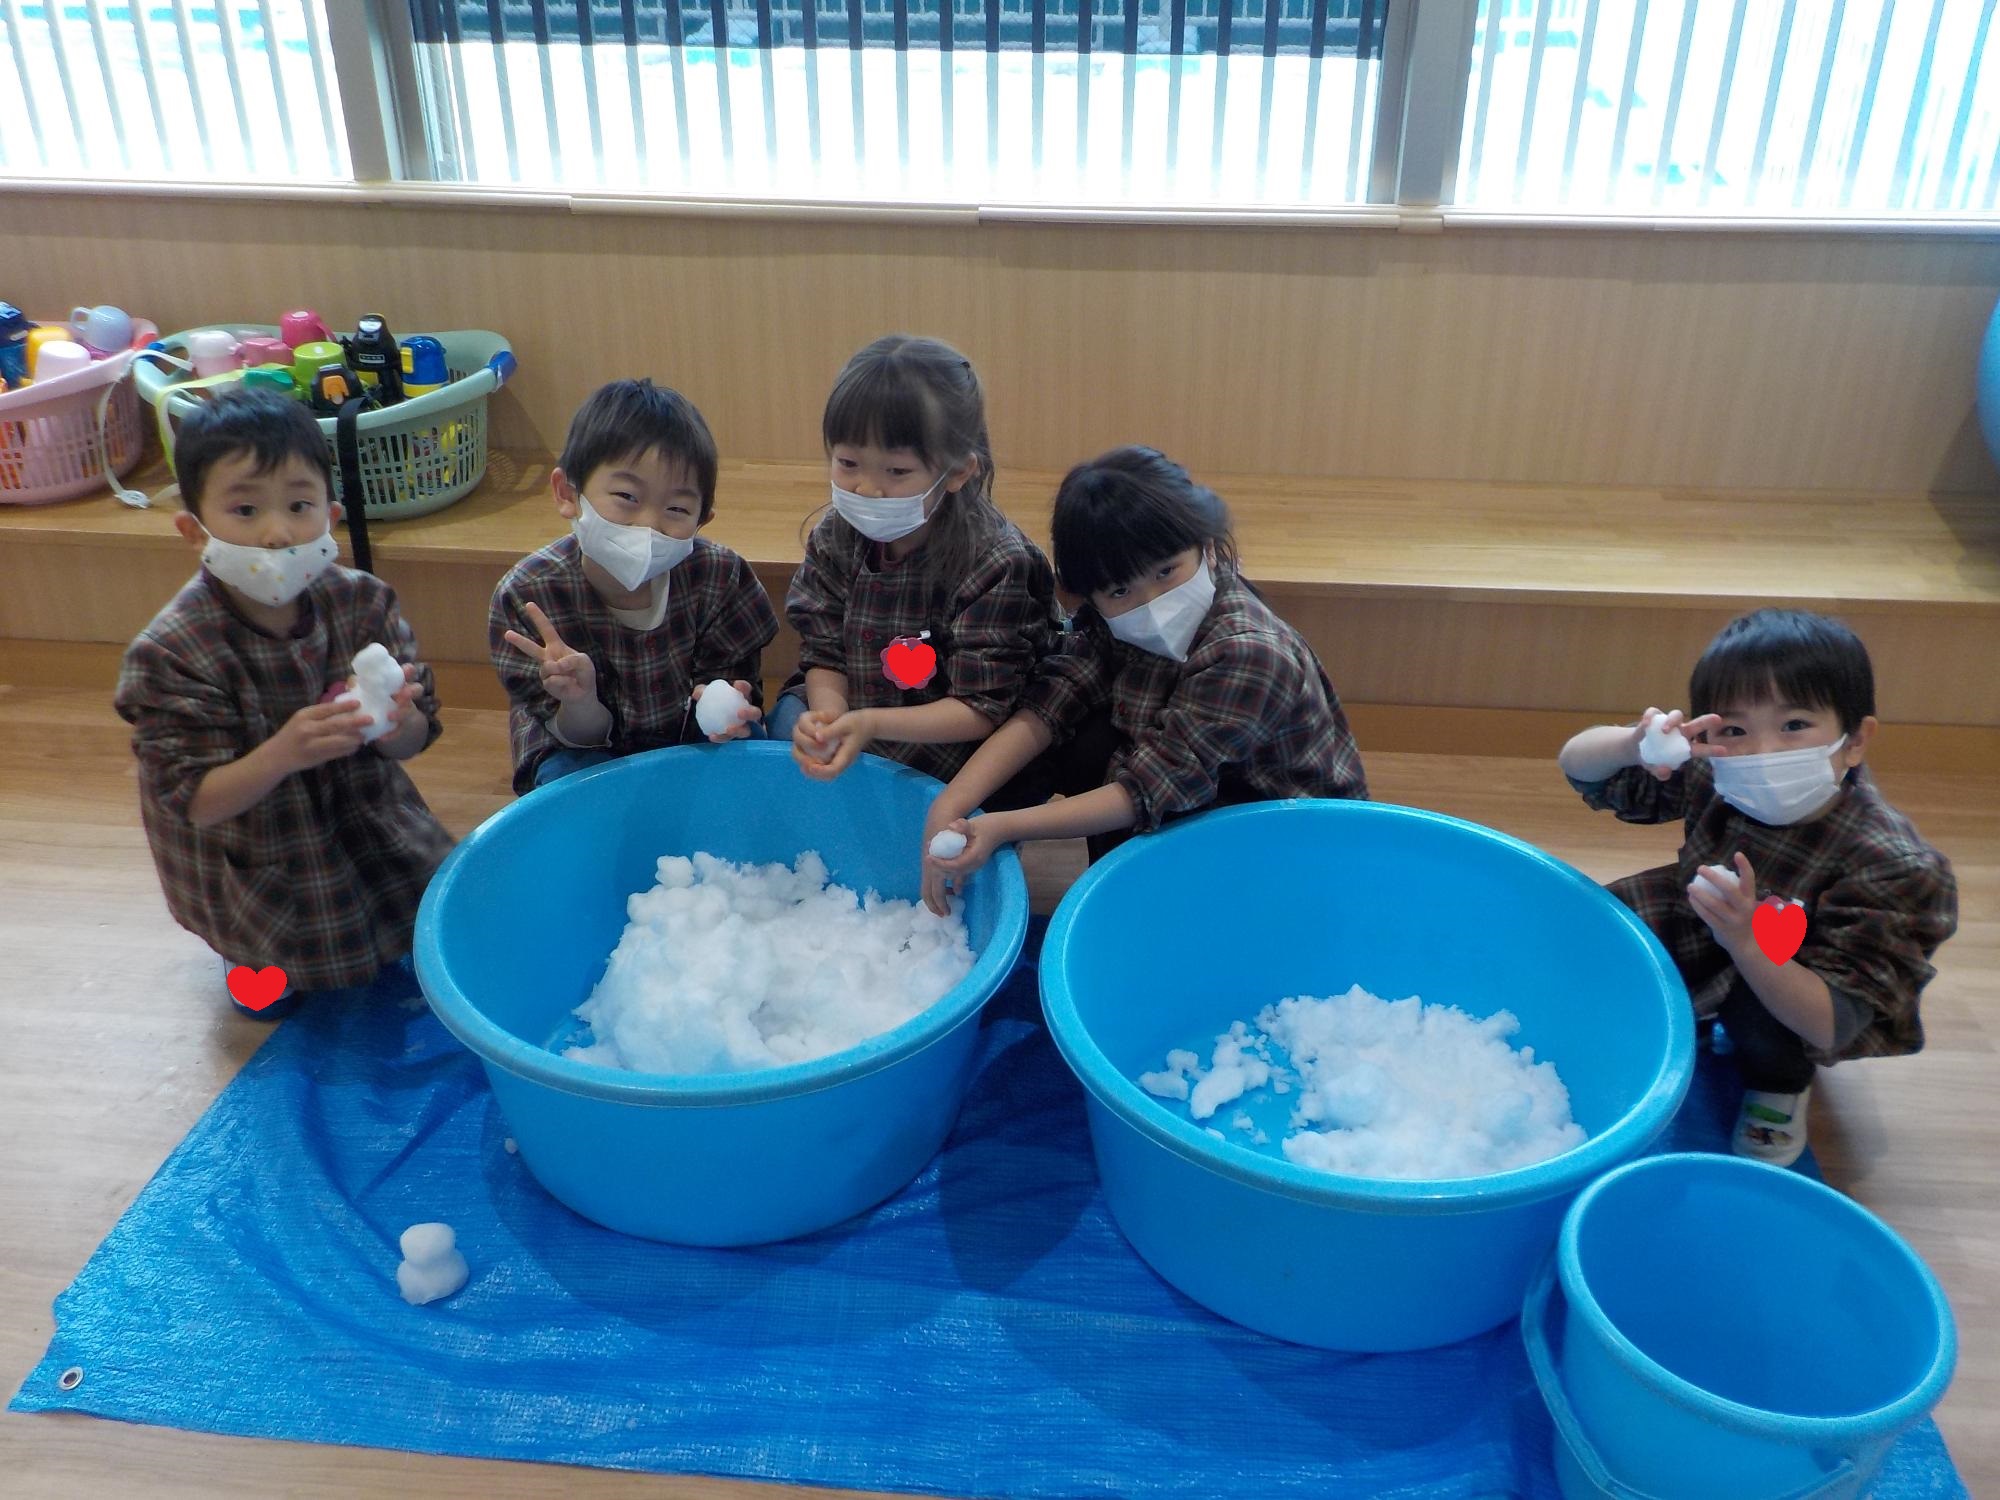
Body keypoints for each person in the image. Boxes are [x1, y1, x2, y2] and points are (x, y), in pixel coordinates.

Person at [1558, 608, 1958, 1166]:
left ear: (1856, 739)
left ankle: (1780, 1086)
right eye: (1736, 729)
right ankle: (1663, 1023)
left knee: (1759, 1018)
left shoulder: (1893, 866)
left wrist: (1746, 942)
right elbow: (1581, 769)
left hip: (1795, 979)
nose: (1762, 751)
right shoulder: (1718, 772)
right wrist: (1632, 743)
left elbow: (1834, 1018)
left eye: (1794, 725)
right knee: (1610, 927)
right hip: (1706, 915)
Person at [114, 388, 453, 1018]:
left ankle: (374, 932)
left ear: (331, 513)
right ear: (195, 530)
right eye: (245, 510)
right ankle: (249, 964)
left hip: (360, 808)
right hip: (249, 840)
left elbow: (416, 737)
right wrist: (281, 754)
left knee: (411, 917)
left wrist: (399, 722)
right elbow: (194, 802)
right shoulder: (175, 651)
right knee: (266, 983)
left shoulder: (363, 603)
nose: (276, 533)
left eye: (299, 506)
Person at [921, 446, 1367, 915]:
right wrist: (952, 802)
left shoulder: (1248, 652)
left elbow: (1150, 788)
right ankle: (1126, 883)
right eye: (1120, 590)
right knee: (1070, 741)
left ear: (1206, 544)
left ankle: (1157, 901)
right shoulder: (1113, 627)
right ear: (1089, 597)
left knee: (1130, 801)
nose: (1153, 600)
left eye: (1166, 571)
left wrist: (1003, 826)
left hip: (1287, 831)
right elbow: (1053, 701)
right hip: (1192, 779)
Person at [772, 334, 1060, 784]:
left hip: (954, 745)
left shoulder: (998, 563)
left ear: (958, 472)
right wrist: (830, 720)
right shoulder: (836, 535)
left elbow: (980, 709)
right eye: (848, 463)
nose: (866, 488)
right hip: (862, 712)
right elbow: (824, 652)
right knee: (787, 723)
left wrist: (869, 725)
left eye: (897, 471)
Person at [490, 379, 780, 791]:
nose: (648, 524)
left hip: (685, 732)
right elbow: (570, 734)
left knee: (746, 759)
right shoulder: (530, 593)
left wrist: (729, 708)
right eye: (627, 496)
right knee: (566, 786)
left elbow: (728, 692)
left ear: (701, 522)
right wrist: (579, 700)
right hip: (576, 744)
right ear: (567, 493)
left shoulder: (720, 577)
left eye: (677, 508)